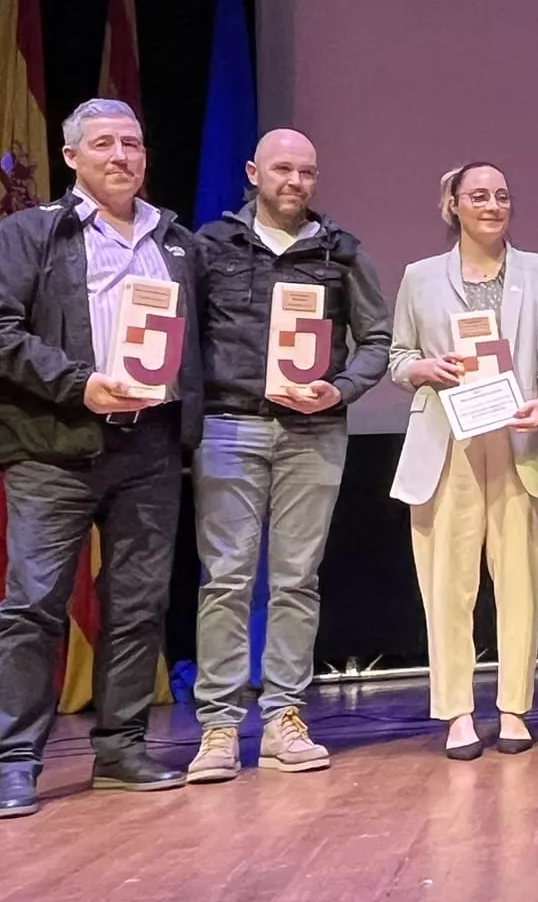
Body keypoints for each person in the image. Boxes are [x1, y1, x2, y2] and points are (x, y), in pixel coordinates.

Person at [0, 100, 203, 819]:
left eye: (134, 144)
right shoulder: (31, 233)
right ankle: (15, 759)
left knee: (140, 604)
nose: (123, 156)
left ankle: (121, 748)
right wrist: (79, 383)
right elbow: (2, 332)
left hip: (149, 446)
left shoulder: (177, 241)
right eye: (106, 144)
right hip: (54, 448)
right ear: (71, 157)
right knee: (32, 607)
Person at [186, 128, 391, 784]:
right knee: (226, 579)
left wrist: (343, 387)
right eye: (281, 169)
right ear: (253, 172)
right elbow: (177, 328)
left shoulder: (342, 251)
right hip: (229, 426)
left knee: (297, 579)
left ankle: (283, 720)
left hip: (314, 433)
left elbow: (377, 338)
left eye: (306, 171)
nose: (294, 182)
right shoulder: (209, 246)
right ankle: (218, 728)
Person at [386, 163, 538, 758]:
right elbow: (399, 356)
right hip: (447, 444)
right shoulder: (420, 277)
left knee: (520, 581)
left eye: (502, 196)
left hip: (521, 438)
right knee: (447, 584)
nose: (492, 205)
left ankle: (514, 707)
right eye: (479, 196)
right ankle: (457, 712)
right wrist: (422, 370)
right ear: (453, 205)